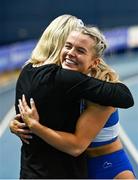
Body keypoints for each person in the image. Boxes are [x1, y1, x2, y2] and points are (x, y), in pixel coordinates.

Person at [10, 15, 134, 179]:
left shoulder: (98, 87)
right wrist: (17, 123)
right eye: (68, 46)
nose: (70, 53)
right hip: (81, 167)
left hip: (109, 166)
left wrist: (34, 126)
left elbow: (76, 145)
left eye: (80, 50)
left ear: (94, 62)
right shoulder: (63, 80)